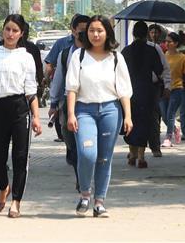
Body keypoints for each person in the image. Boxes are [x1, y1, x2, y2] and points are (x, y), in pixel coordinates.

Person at [66, 15, 133, 217]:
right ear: (86, 33)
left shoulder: (116, 58)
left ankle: (99, 202)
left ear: (107, 33)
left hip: (110, 111)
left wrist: (128, 116)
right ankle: (85, 194)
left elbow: (124, 90)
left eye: (100, 30)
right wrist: (70, 114)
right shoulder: (78, 56)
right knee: (88, 154)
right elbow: (71, 88)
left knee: (104, 158)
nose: (95, 34)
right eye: (92, 30)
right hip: (84, 111)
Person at [0, 13, 42, 219]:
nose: (10, 33)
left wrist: (35, 117)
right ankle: (3, 187)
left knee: (20, 157)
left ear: (21, 33)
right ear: (2, 30)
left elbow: (31, 90)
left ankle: (16, 200)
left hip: (19, 108)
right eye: (7, 29)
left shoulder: (26, 57)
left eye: (15, 30)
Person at [48, 13, 90, 186]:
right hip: (68, 105)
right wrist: (53, 103)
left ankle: (86, 175)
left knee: (87, 146)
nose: (85, 34)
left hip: (91, 104)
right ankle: (80, 175)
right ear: (73, 31)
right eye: (81, 30)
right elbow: (57, 79)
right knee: (72, 143)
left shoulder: (98, 52)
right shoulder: (65, 53)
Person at [122, 21, 163, 167]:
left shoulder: (125, 52)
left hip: (128, 93)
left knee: (130, 121)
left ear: (133, 34)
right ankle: (141, 156)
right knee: (144, 123)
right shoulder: (151, 50)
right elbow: (159, 69)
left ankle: (132, 154)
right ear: (147, 34)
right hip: (146, 92)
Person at [161, 31, 185, 146]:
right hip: (164, 89)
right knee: (164, 115)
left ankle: (168, 138)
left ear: (176, 43)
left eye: (170, 42)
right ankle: (174, 129)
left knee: (170, 114)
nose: (167, 44)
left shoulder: (182, 57)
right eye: (166, 41)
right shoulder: (163, 56)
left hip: (177, 88)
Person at [45, 17, 77, 141]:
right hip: (65, 96)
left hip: (88, 101)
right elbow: (49, 65)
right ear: (73, 29)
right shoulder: (61, 45)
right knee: (67, 133)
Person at [147, 28, 171, 156]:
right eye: (151, 32)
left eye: (155, 32)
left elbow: (165, 68)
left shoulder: (156, 48)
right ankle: (135, 149)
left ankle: (155, 146)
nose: (153, 34)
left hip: (153, 88)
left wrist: (167, 86)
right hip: (136, 88)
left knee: (154, 117)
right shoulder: (131, 49)